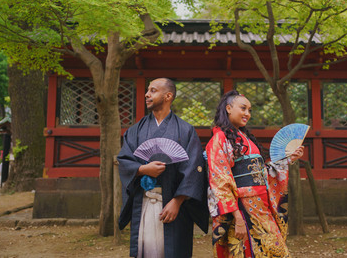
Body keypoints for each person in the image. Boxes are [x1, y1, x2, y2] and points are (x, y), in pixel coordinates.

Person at [117, 78, 209, 258]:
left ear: (168, 96)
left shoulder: (186, 130)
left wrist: (178, 201)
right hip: (143, 201)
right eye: (147, 90)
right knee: (146, 250)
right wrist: (143, 170)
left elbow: (193, 170)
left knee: (175, 251)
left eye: (153, 90)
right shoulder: (135, 130)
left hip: (174, 206)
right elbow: (124, 160)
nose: (146, 94)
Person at [205, 90, 304, 257]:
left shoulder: (246, 139)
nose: (247, 114)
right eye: (243, 108)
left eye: (250, 110)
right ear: (228, 108)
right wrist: (237, 218)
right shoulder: (219, 139)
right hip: (241, 209)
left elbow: (262, 173)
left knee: (276, 251)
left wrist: (288, 159)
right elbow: (220, 182)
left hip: (261, 207)